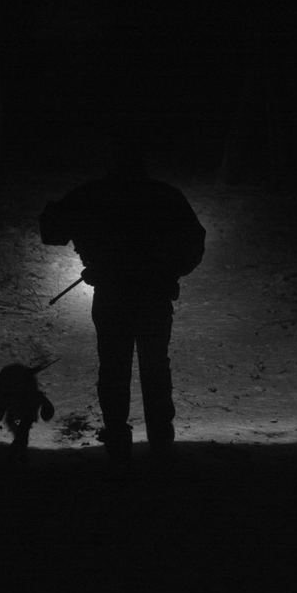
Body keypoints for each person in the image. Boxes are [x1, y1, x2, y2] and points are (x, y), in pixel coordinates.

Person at [40, 143, 205, 466]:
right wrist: (168, 272)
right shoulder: (165, 196)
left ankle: (118, 441)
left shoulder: (94, 195)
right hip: (153, 299)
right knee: (155, 367)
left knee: (114, 368)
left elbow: (51, 230)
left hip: (113, 297)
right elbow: (194, 244)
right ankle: (161, 442)